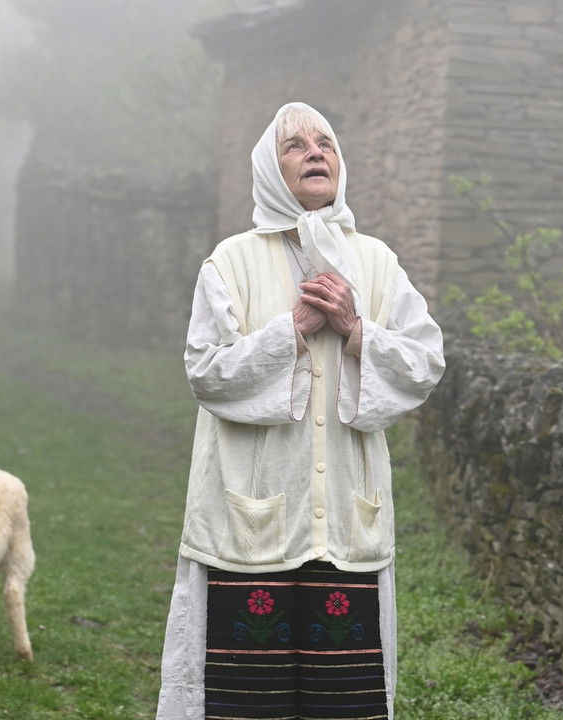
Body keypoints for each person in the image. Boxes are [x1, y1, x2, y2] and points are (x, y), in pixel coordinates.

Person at [156, 101, 445, 720]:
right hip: (248, 517)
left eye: (326, 143)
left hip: (345, 517)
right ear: (270, 167)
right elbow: (206, 373)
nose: (316, 152)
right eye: (296, 145)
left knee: (345, 702)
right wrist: (291, 330)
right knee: (242, 702)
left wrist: (355, 328)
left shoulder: (377, 262)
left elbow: (425, 363)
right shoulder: (230, 261)